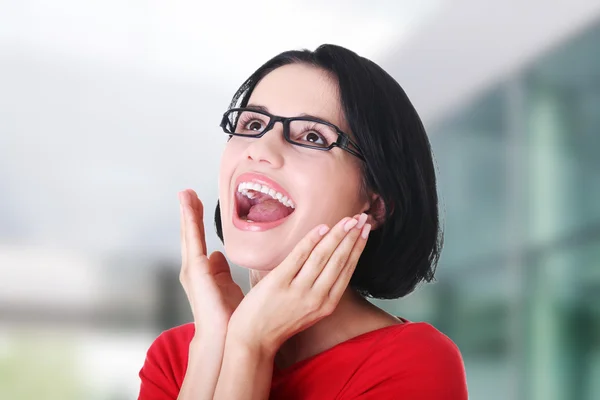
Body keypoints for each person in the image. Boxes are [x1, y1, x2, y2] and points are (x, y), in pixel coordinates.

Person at [137, 44, 468, 399]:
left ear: (375, 206)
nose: (260, 148)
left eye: (312, 136)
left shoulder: (414, 363)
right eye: (252, 124)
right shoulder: (174, 357)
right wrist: (213, 344)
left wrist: (249, 347)